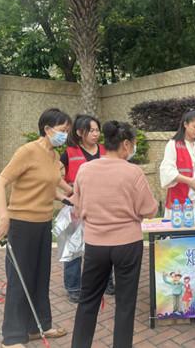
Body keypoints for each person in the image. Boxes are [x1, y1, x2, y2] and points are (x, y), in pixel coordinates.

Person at [71, 120, 158, 348]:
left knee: (87, 301)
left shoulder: (85, 169)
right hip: (127, 244)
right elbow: (149, 209)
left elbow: (77, 207)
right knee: (125, 304)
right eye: (133, 144)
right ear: (126, 144)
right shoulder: (133, 172)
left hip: (95, 244)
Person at [0, 108, 71, 348]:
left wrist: (70, 196)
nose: (65, 135)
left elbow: (50, 184)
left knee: (40, 278)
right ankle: (12, 337)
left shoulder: (54, 156)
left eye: (67, 131)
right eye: (62, 130)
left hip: (43, 224)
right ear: (47, 129)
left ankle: (39, 327)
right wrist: (4, 217)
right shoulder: (27, 151)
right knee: (19, 280)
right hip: (21, 225)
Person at [59, 114, 114, 303]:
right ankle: (73, 286)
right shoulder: (69, 152)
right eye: (91, 130)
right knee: (73, 247)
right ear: (79, 132)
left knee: (105, 246)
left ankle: (107, 282)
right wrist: (69, 191)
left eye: (97, 130)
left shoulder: (106, 150)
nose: (96, 134)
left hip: (102, 206)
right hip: (76, 207)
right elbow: (52, 174)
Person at [160, 110, 195, 218]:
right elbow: (167, 171)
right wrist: (188, 181)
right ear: (185, 124)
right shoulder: (173, 144)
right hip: (178, 201)